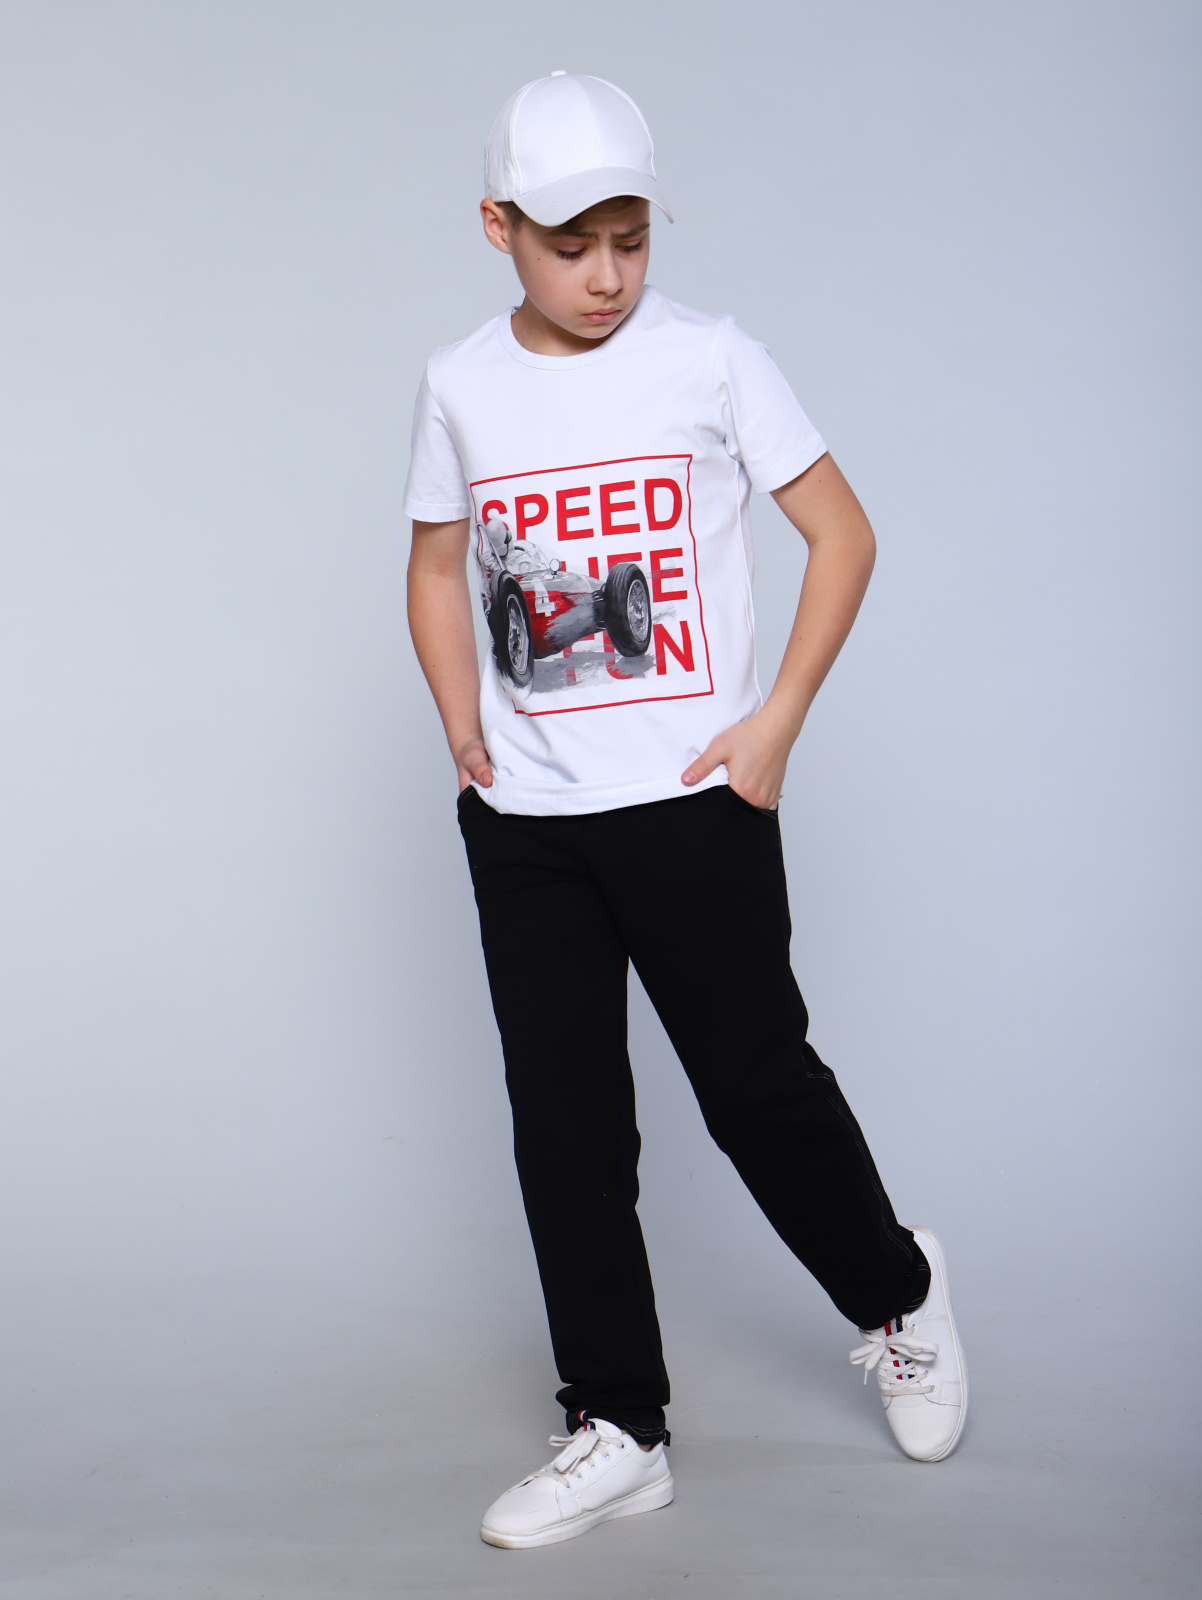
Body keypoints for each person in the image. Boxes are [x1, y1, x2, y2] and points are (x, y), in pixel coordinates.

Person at [404, 71, 967, 1551]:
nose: (606, 275)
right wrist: (460, 717)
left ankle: (899, 1294)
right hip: (527, 825)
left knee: (754, 1091)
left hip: (690, 804)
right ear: (496, 228)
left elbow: (840, 533)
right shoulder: (461, 384)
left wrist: (776, 721)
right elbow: (434, 564)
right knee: (566, 1129)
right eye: (569, 244)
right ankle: (618, 1426)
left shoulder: (711, 359)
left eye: (631, 239)